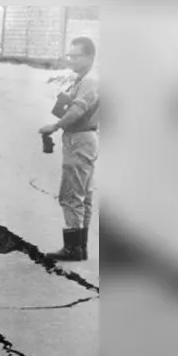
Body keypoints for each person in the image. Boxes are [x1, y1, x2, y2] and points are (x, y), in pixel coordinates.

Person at [39, 37, 100, 261]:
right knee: (84, 196)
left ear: (90, 57)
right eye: (70, 55)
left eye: (76, 56)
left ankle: (73, 249)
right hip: (86, 138)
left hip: (79, 139)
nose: (71, 60)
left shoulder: (90, 81)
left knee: (71, 195)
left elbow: (77, 110)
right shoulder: (85, 78)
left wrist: (55, 126)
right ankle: (80, 247)